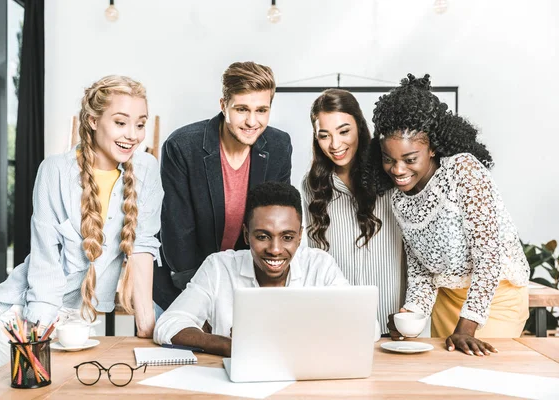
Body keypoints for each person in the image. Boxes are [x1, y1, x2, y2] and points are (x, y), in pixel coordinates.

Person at [0, 75, 161, 368]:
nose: (133, 134)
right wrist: (37, 335)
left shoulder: (146, 169)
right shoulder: (55, 171)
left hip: (80, 321)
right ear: (93, 121)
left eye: (140, 124)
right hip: (24, 316)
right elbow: (45, 261)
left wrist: (147, 324)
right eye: (121, 122)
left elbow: (143, 245)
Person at [368, 73, 530, 356]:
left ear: (432, 148)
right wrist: (412, 313)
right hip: (447, 301)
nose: (397, 170)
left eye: (409, 159)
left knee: (484, 379)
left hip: (496, 299)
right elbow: (421, 270)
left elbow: (488, 256)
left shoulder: (463, 171)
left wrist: (467, 327)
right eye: (388, 159)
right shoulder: (398, 198)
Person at [153, 61, 293, 313]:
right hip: (182, 284)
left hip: (245, 287)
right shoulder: (182, 147)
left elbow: (277, 222)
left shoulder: (279, 145)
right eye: (242, 109)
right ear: (223, 106)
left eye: (261, 110)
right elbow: (178, 234)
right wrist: (204, 305)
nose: (252, 121)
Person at [154, 182, 348, 356]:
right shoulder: (219, 268)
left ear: (299, 236)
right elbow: (168, 325)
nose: (275, 250)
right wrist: (227, 345)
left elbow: (367, 327)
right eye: (263, 236)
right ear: (246, 235)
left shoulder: (320, 266)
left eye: (287, 237)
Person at [301, 89, 404, 337]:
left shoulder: (392, 174)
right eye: (324, 135)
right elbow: (315, 260)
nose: (335, 145)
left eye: (344, 131)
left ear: (359, 125)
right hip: (338, 324)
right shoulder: (311, 186)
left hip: (395, 322)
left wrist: (410, 311)